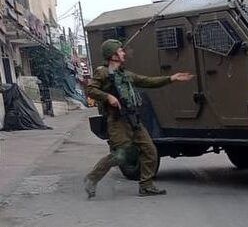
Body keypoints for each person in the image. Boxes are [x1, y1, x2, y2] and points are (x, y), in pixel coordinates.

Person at [83, 39, 194, 198]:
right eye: (120, 51)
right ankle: (92, 178)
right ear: (113, 55)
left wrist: (171, 78)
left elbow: (148, 81)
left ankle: (146, 186)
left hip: (133, 119)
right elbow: (91, 90)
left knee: (150, 151)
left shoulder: (126, 75)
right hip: (117, 121)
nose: (124, 53)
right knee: (121, 155)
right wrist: (108, 97)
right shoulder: (103, 72)